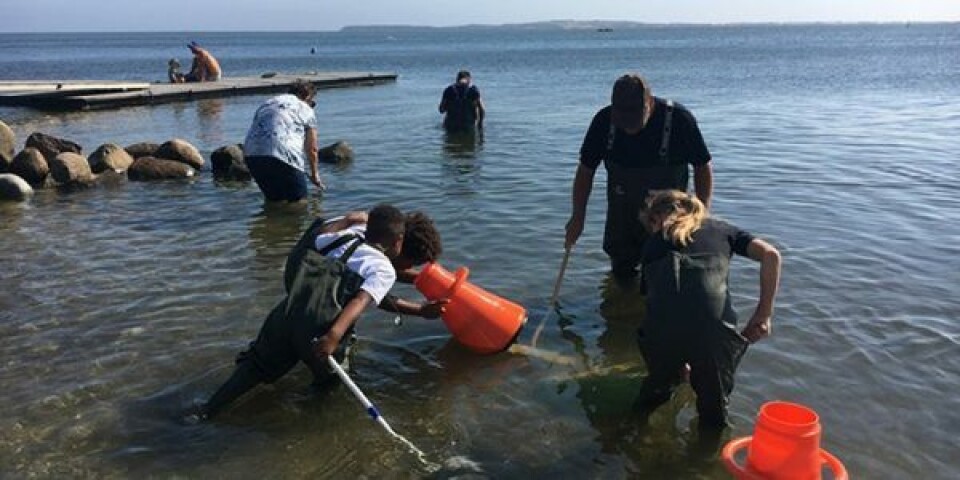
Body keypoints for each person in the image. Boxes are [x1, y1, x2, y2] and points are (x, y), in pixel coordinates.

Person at [192, 204, 447, 420]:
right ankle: (309, 421)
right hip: (321, 329)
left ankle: (207, 411)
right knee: (331, 381)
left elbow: (318, 241)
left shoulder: (341, 235)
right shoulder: (384, 269)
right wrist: (334, 336)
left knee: (255, 367)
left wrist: (347, 219)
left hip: (286, 314)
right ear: (399, 242)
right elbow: (362, 298)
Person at [633, 190, 781, 433]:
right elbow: (771, 255)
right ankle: (707, 459)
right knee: (714, 416)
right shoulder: (723, 230)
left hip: (662, 330)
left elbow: (656, 304)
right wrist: (763, 314)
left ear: (658, 216)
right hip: (714, 330)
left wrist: (679, 356)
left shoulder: (652, 245)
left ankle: (631, 443)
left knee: (653, 397)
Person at [565, 73, 714, 283]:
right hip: (622, 216)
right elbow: (585, 171)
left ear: (649, 103)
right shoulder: (603, 122)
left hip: (667, 217)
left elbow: (702, 166)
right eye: (622, 119)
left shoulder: (679, 120)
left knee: (665, 275)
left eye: (633, 117)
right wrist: (578, 216)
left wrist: (702, 212)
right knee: (621, 276)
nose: (628, 126)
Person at [243, 80, 323, 202]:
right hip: (284, 153)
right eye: (312, 102)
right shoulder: (305, 109)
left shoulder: (267, 103)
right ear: (307, 96)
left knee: (274, 202)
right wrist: (315, 174)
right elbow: (312, 149)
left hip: (252, 154)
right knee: (299, 203)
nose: (312, 105)